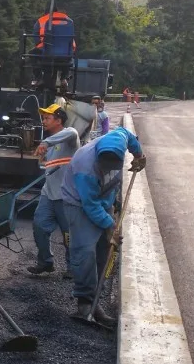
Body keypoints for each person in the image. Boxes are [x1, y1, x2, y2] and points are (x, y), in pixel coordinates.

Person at [60, 127, 147, 326]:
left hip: (103, 201)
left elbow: (129, 135)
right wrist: (111, 227)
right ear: (99, 158)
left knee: (103, 252)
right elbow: (90, 205)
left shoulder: (119, 138)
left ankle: (95, 301)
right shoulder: (85, 167)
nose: (108, 170)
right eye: (104, 167)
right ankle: (84, 303)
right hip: (79, 205)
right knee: (85, 252)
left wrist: (139, 155)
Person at [27, 104, 79, 278]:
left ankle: (73, 267)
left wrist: (45, 142)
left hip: (66, 196)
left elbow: (72, 133)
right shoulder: (50, 142)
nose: (44, 121)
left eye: (47, 118)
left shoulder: (69, 136)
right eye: (44, 118)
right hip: (48, 193)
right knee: (39, 225)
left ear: (59, 120)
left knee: (69, 234)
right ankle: (46, 262)